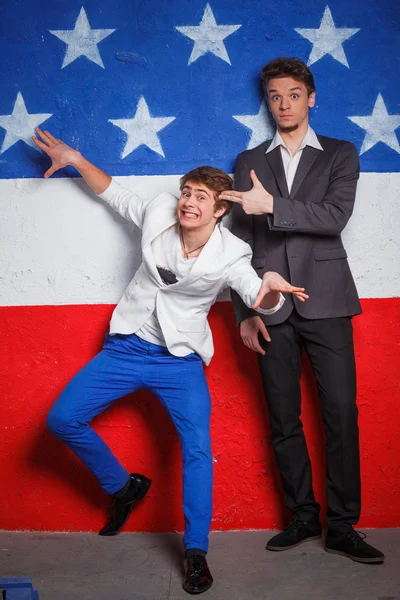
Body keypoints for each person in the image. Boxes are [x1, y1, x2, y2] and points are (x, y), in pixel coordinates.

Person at [32, 127, 308, 594]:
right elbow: (115, 195)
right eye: (186, 192)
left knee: (198, 448)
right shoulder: (160, 211)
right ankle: (124, 488)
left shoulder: (232, 253)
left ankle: (196, 552)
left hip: (179, 361)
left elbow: (252, 289)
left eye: (201, 196)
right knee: (62, 420)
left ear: (220, 210)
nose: (188, 201)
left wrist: (269, 296)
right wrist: (76, 158)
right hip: (126, 347)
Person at [220, 57, 384, 564]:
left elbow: (336, 216)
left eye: (294, 94)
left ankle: (342, 524)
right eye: (275, 96)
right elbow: (235, 245)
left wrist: (273, 207)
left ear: (310, 98)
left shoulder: (340, 154)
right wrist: (245, 309)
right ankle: (302, 515)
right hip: (268, 306)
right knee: (282, 416)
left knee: (339, 412)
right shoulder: (249, 157)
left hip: (328, 300)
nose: (284, 104)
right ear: (266, 102)